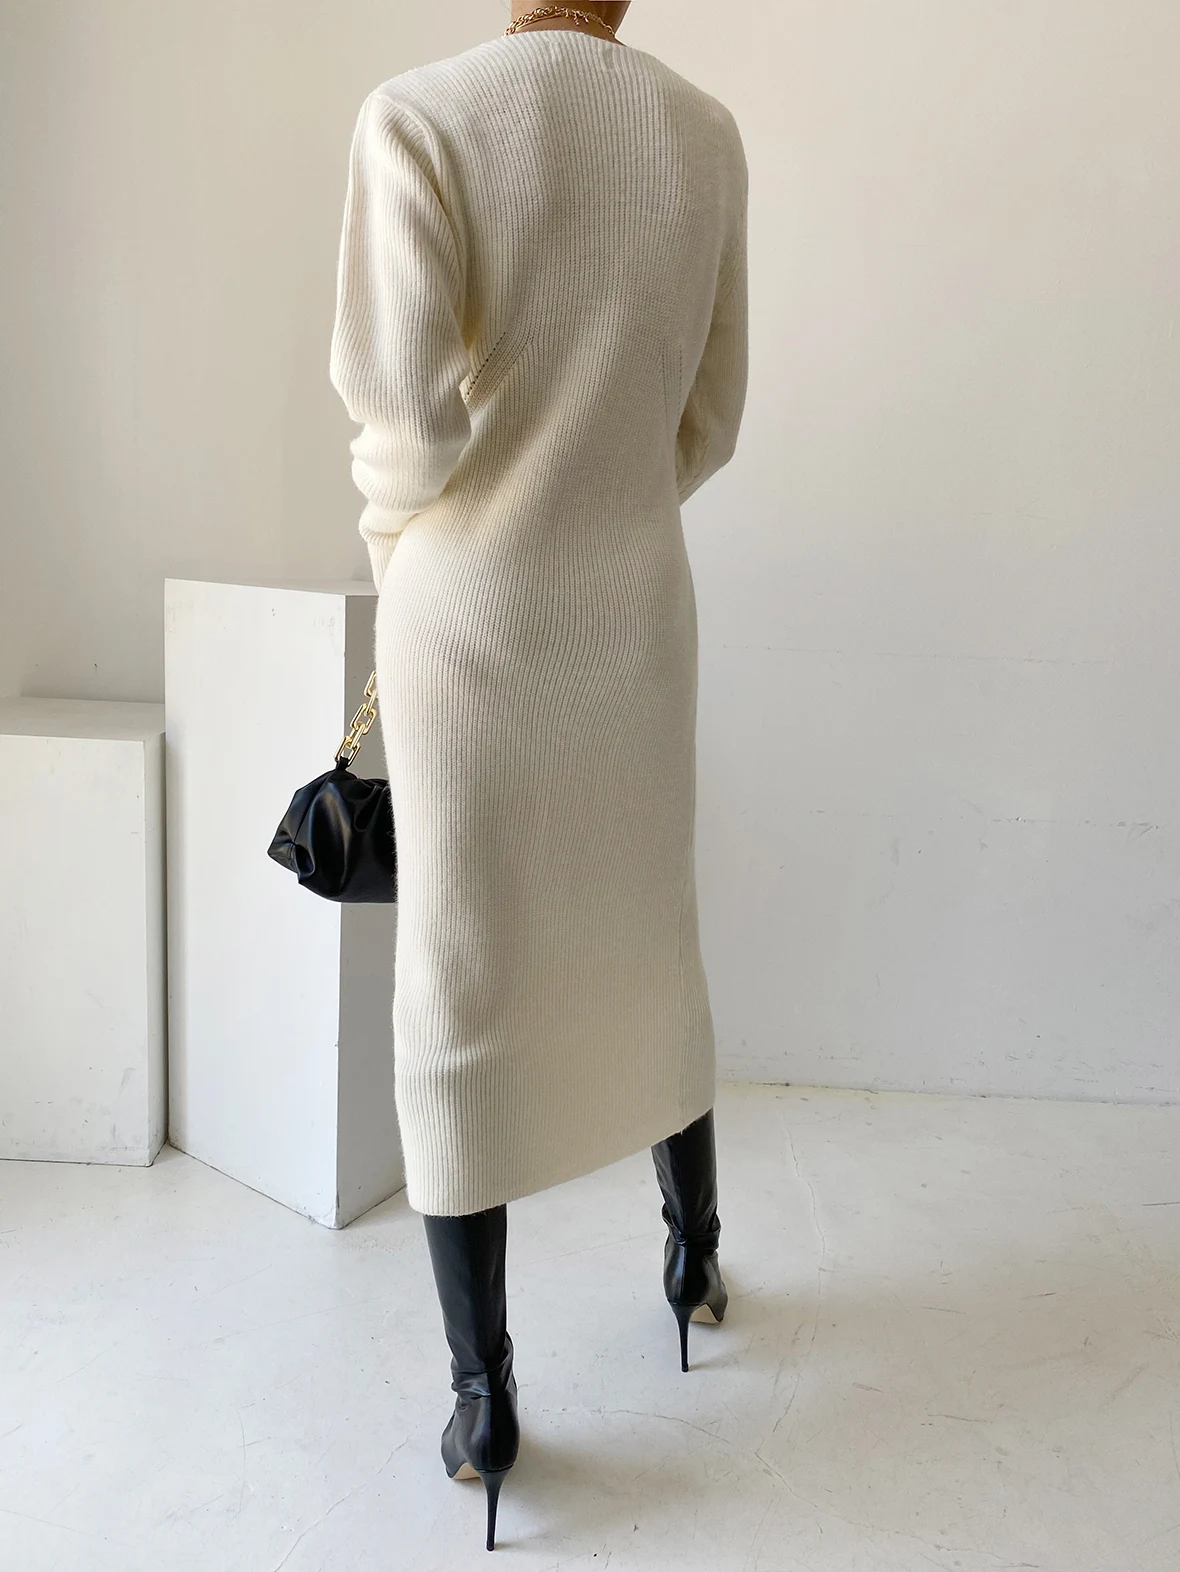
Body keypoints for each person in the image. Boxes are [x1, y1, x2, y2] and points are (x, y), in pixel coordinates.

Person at [329, 1, 748, 1549]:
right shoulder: (703, 135)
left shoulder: (419, 116)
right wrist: (605, 499)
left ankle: (486, 1395)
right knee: (649, 936)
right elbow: (709, 419)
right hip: (632, 610)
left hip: (473, 619)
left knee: (459, 979)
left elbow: (405, 427)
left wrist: (408, 554)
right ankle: (693, 1258)